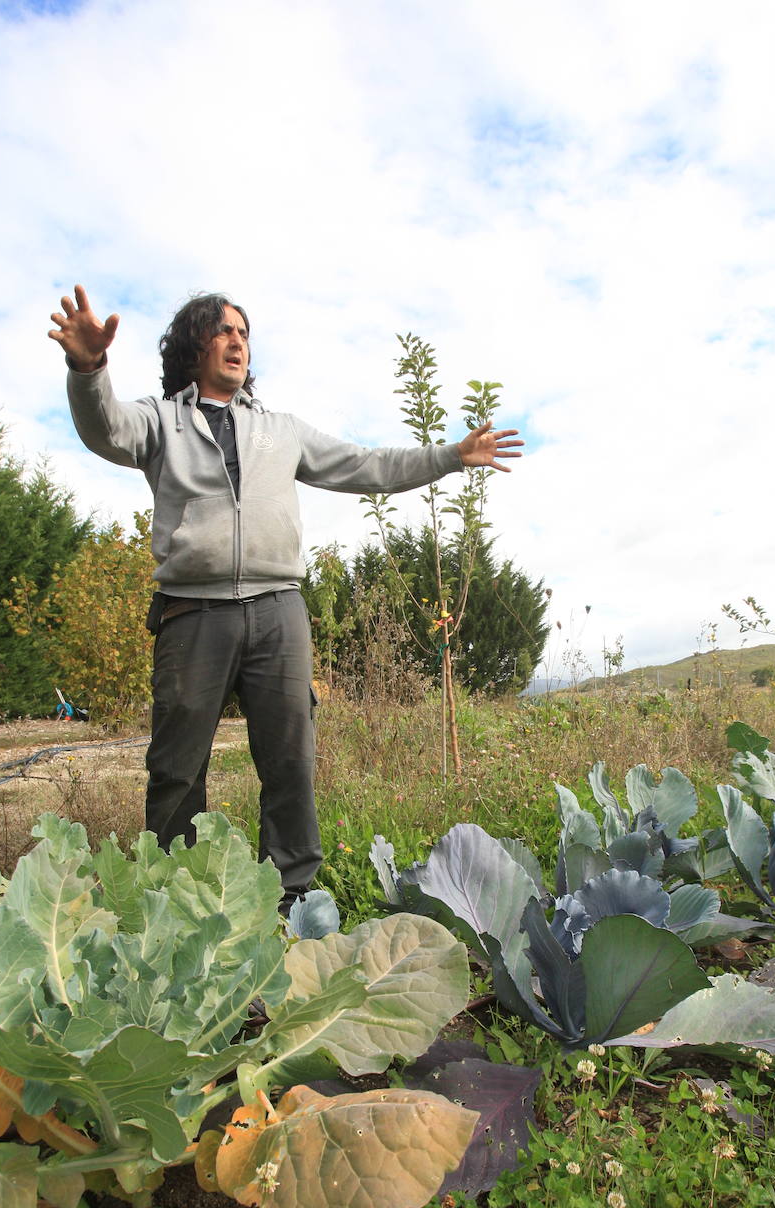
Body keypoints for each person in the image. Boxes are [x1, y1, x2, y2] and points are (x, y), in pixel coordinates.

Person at [49, 285, 522, 909]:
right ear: (193, 347)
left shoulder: (281, 430)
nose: (237, 339)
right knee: (176, 770)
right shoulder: (159, 420)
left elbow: (364, 465)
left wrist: (450, 456)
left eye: (243, 331)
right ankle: (172, 896)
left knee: (290, 762)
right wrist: (89, 368)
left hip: (278, 610)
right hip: (194, 613)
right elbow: (103, 427)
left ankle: (292, 896)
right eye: (222, 330)